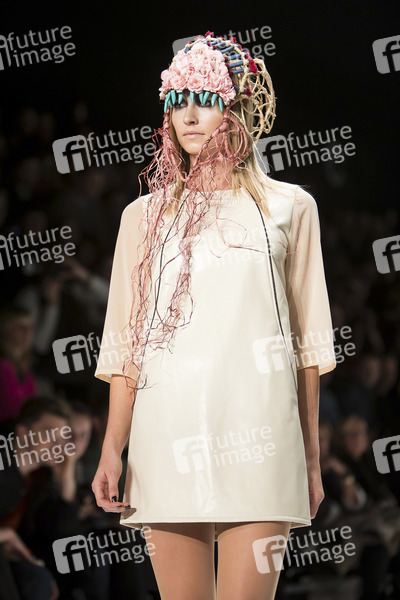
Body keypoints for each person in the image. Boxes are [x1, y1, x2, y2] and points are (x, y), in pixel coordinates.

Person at [92, 32, 337, 600]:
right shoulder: (142, 217)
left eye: (204, 99)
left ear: (236, 108)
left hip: (264, 435)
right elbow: (127, 340)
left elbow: (307, 345)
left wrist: (311, 457)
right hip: (167, 434)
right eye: (177, 101)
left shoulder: (290, 207)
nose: (188, 116)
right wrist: (111, 447)